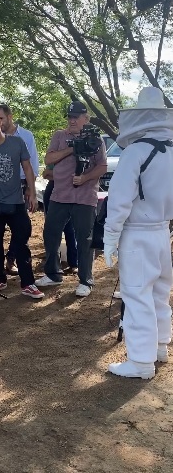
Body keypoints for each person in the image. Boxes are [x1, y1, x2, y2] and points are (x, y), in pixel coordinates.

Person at [104, 87, 173, 379]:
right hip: (162, 232)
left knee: (136, 295)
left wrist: (109, 238)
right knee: (159, 292)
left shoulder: (134, 152)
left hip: (137, 233)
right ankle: (159, 346)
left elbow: (118, 201)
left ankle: (141, 362)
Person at [35, 101, 107, 297]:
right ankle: (53, 274)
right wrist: (73, 148)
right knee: (50, 234)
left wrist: (85, 178)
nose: (72, 120)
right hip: (60, 195)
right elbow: (48, 160)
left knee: (85, 239)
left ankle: (86, 280)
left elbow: (102, 167)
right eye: (70, 117)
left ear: (86, 118)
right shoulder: (60, 136)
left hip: (85, 197)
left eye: (76, 117)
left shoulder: (96, 139)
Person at [0, 110, 44, 299]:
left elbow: (28, 168)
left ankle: (28, 283)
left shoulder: (17, 142)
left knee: (21, 241)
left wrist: (33, 193)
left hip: (16, 201)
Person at [0, 104, 39, 276]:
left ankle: (11, 259)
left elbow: (32, 164)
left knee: (20, 227)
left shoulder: (26, 136)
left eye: (1, 118)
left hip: (20, 184)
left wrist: (30, 188)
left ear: (10, 116)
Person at [42, 165, 78, 273]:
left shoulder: (76, 151)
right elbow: (45, 174)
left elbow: (75, 176)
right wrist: (64, 176)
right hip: (53, 189)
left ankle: (74, 262)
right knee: (52, 231)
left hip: (70, 190)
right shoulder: (56, 150)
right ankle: (54, 266)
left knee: (70, 228)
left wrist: (57, 175)